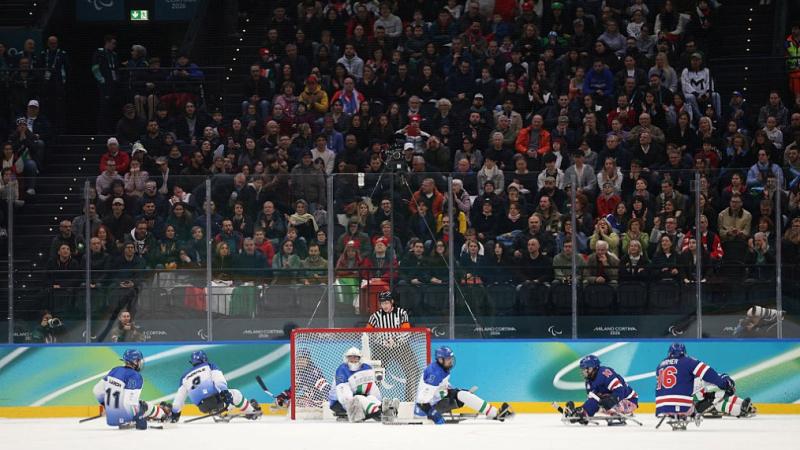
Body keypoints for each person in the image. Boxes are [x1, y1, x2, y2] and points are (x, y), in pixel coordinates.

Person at [413, 346, 513, 425]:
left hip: (436, 401)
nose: (451, 361)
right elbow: (422, 402)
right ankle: (495, 414)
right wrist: (434, 415)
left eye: (451, 358)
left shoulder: (442, 369)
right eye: (448, 359)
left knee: (462, 394)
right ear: (440, 359)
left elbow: (441, 386)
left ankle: (495, 413)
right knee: (462, 395)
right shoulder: (434, 374)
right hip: (428, 409)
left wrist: (453, 390)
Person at [655, 343, 755, 420]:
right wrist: (726, 382)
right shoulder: (689, 364)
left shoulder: (661, 365)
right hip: (689, 405)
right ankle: (740, 410)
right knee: (716, 402)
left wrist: (724, 380)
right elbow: (712, 377)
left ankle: (744, 405)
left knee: (719, 395)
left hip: (661, 407)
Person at [170, 351, 261, 423]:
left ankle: (218, 411)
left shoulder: (184, 377)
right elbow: (219, 380)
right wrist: (225, 392)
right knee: (235, 394)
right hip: (217, 402)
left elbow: (179, 399)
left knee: (227, 402)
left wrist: (175, 415)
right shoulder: (210, 366)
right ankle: (251, 412)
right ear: (205, 359)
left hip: (203, 408)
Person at [91, 349, 170, 429]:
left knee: (137, 404)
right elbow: (129, 403)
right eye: (139, 361)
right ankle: (163, 415)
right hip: (125, 420)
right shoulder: (135, 376)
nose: (140, 363)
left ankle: (160, 413)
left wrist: (107, 406)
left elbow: (97, 390)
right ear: (135, 362)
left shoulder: (114, 370)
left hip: (111, 420)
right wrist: (140, 419)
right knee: (143, 406)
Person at [563, 355, 638, 422]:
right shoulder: (588, 382)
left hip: (629, 400)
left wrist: (612, 400)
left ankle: (620, 410)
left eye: (587, 368)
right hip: (612, 400)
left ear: (594, 368)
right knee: (596, 400)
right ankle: (581, 412)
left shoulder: (605, 373)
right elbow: (591, 401)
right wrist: (582, 411)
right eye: (583, 369)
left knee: (605, 401)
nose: (584, 371)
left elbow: (620, 390)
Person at [330, 347, 383, 422]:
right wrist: (351, 402)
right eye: (350, 357)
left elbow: (371, 386)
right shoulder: (342, 369)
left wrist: (376, 399)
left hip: (359, 396)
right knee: (358, 398)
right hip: (340, 402)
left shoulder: (366, 367)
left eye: (355, 357)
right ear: (346, 358)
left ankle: (381, 406)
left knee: (369, 396)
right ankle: (376, 411)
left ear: (359, 358)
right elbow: (342, 389)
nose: (352, 359)